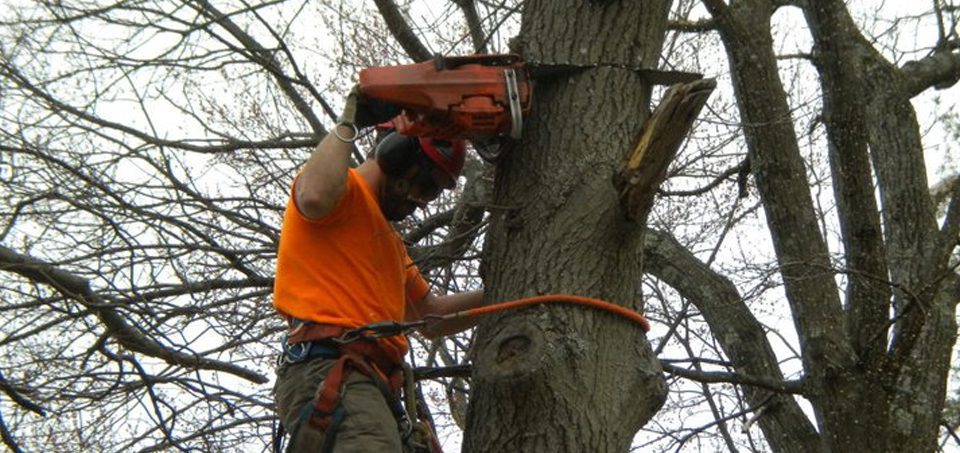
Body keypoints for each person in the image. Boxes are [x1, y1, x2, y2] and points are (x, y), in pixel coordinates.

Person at [272, 85, 484, 453]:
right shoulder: (342, 192)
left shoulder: (391, 245)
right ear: (396, 154)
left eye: (432, 194)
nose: (420, 201)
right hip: (332, 368)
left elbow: (432, 317)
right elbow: (314, 196)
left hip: (374, 386)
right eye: (423, 185)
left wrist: (504, 292)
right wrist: (350, 121)